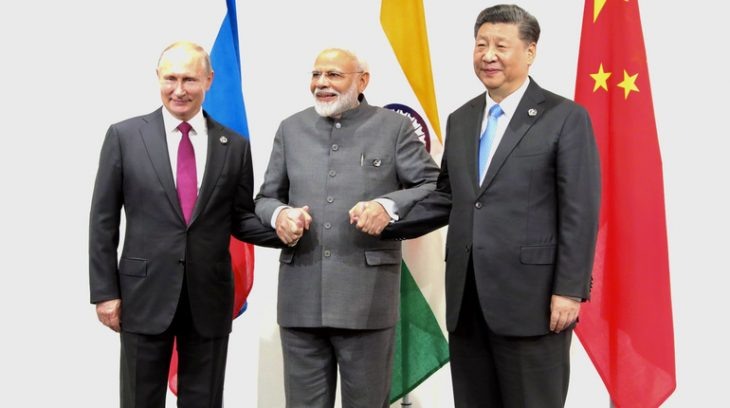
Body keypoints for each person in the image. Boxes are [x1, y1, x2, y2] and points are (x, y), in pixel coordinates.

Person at [380, 5, 601, 407]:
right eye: (481, 44)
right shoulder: (461, 119)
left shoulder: (565, 117)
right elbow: (448, 196)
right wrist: (387, 215)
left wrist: (569, 290)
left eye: (501, 45)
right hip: (467, 302)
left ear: (530, 51)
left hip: (533, 302)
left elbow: (580, 211)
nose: (488, 55)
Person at [89, 41, 299, 408]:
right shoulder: (124, 136)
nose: (179, 90)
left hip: (209, 299)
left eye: (189, 79)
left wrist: (286, 229)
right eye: (170, 78)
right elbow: (103, 221)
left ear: (209, 80)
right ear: (158, 77)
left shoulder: (234, 145)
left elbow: (239, 218)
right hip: (143, 296)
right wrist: (105, 292)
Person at [254, 48, 440, 408]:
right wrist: (279, 215)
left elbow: (433, 185)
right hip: (301, 299)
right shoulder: (290, 129)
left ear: (362, 81)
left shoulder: (395, 128)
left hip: (367, 299)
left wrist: (387, 206)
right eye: (316, 74)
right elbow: (265, 197)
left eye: (334, 75)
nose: (322, 83)